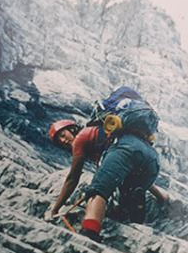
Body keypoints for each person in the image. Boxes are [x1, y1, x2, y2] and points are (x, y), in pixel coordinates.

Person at [48, 95, 168, 241]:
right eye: (59, 141)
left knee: (97, 190)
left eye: (62, 134)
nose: (63, 140)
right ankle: (136, 206)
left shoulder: (82, 137)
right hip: (150, 158)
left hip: (125, 148)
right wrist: (161, 197)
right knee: (125, 201)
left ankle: (89, 234)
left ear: (72, 128)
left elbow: (73, 178)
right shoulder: (103, 134)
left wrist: (55, 209)